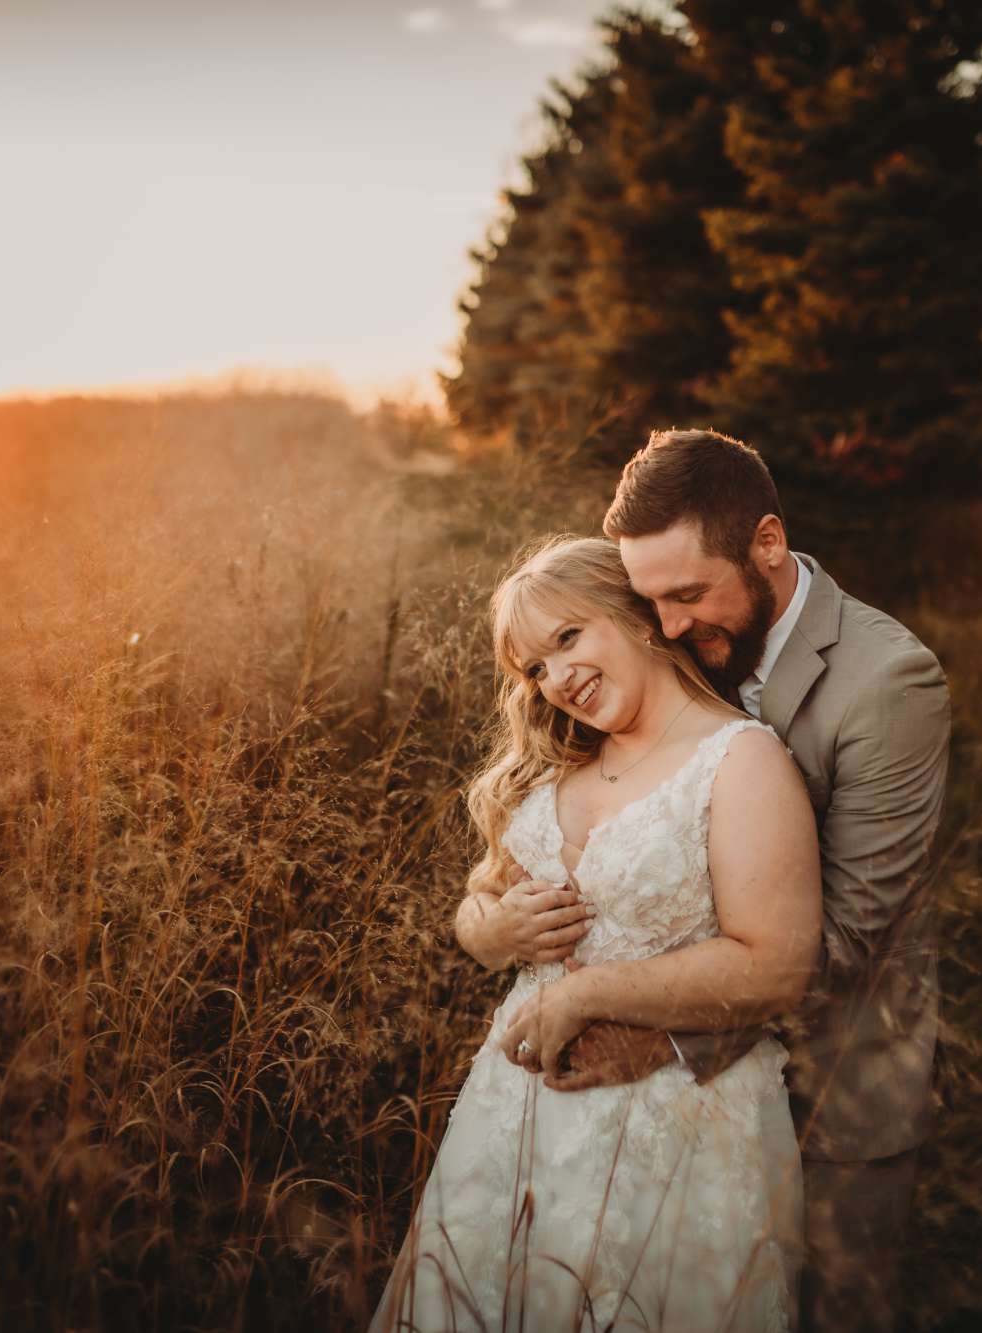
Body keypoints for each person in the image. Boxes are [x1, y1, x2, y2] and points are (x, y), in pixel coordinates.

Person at [554, 429, 952, 1331]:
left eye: (687, 594)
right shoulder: (678, 639)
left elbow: (849, 933)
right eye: (649, 600)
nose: (666, 629)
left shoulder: (888, 682)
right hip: (681, 1108)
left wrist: (664, 1037)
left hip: (837, 1084)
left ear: (766, 542)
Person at [372, 535, 822, 1333]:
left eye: (568, 637)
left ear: (638, 617)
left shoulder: (740, 760)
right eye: (535, 667)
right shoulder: (552, 765)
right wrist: (501, 931)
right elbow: (473, 917)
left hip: (678, 1122)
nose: (556, 677)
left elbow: (776, 964)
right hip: (514, 1116)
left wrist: (586, 990)